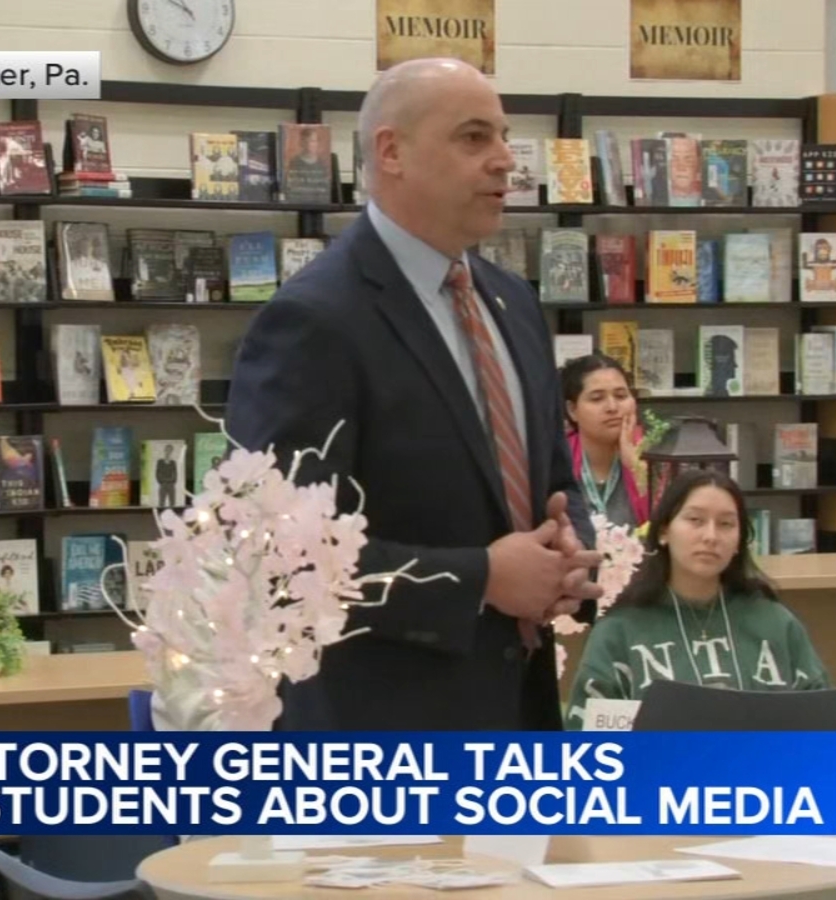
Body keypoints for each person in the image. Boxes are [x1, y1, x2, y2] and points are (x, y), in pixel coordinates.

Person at [226, 57, 601, 732]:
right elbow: (279, 553)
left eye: (504, 137)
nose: (505, 161)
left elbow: (552, 477)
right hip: (381, 731)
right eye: (473, 137)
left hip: (520, 713)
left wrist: (569, 552)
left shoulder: (513, 302)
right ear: (391, 151)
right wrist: (478, 578)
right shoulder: (315, 321)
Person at [565, 469, 830, 729]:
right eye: (695, 520)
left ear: (739, 541)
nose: (711, 536)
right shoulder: (619, 630)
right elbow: (586, 747)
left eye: (726, 524)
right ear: (664, 531)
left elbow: (823, 723)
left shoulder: (775, 622)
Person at [560, 354, 647, 529]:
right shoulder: (556, 461)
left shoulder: (657, 457)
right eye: (597, 398)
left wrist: (636, 466)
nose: (613, 407)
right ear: (572, 410)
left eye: (621, 396)